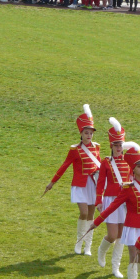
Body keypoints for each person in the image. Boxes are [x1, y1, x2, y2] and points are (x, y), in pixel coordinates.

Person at [85, 142, 140, 279]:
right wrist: (96, 222)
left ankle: (132, 276)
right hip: (132, 227)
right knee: (133, 257)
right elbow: (112, 206)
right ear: (133, 168)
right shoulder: (128, 188)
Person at [44, 104, 101, 256]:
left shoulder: (97, 147)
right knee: (83, 213)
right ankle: (78, 241)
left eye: (91, 133)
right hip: (80, 185)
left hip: (93, 185)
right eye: (86, 133)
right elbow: (64, 166)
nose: (89, 135)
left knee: (91, 216)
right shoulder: (74, 149)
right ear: (81, 134)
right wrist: (52, 183)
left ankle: (88, 246)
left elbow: (100, 166)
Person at [95, 117, 129, 278]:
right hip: (110, 200)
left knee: (122, 235)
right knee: (112, 235)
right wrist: (98, 200)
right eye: (116, 145)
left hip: (125, 202)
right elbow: (100, 183)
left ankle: (116, 267)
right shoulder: (106, 162)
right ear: (111, 146)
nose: (118, 148)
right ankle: (101, 252)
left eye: (120, 145)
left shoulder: (129, 162)